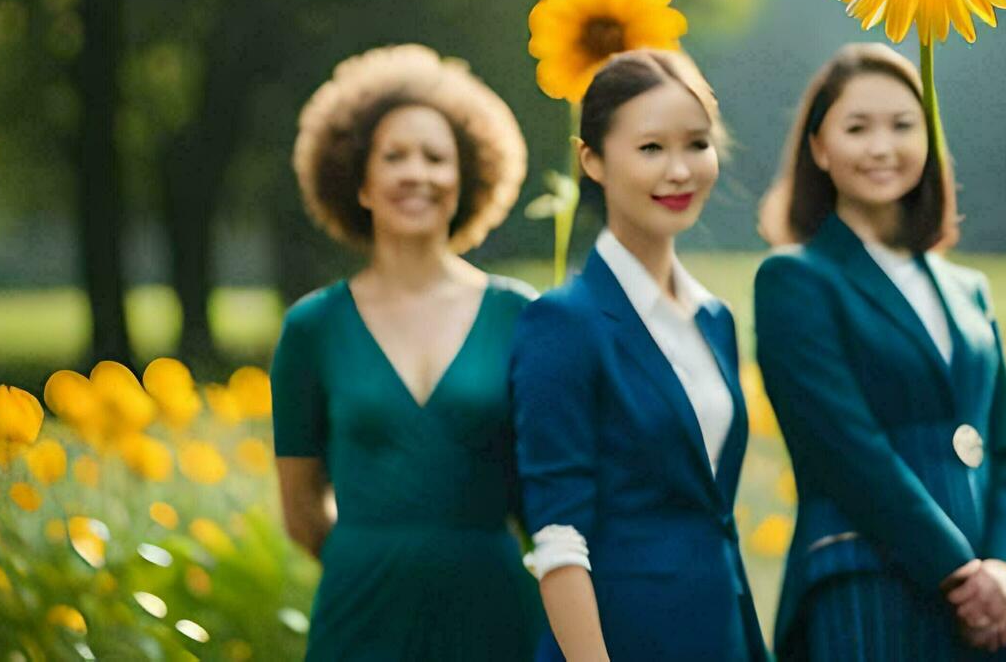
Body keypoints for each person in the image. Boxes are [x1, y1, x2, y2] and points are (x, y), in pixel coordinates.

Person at [754, 42, 1006, 661]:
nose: (883, 146)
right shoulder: (795, 280)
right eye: (858, 128)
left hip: (993, 600)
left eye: (903, 126)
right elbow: (846, 449)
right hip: (868, 582)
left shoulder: (968, 290)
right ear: (819, 149)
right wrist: (961, 574)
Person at [271, 44, 545, 661]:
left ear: (466, 178)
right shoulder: (311, 329)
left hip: (494, 611)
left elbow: (549, 493)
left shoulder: (520, 314)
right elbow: (301, 512)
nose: (415, 173)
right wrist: (382, 556)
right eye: (393, 157)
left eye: (435, 157)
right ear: (359, 183)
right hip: (361, 614)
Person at [511, 49, 768, 662]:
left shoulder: (715, 320)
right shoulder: (562, 323)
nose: (680, 170)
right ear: (592, 160)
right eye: (651, 149)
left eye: (697, 145)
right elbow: (558, 536)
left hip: (719, 632)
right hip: (618, 639)